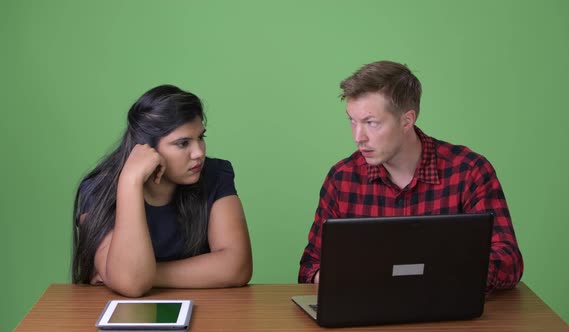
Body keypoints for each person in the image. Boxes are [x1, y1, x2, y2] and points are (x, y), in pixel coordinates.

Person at [298, 61, 523, 293]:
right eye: (352, 121)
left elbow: (509, 261)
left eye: (371, 123)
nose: (358, 137)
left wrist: (449, 272)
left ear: (407, 120)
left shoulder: (469, 171)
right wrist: (338, 277)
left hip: (446, 315)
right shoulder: (341, 179)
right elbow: (310, 266)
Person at [72, 85, 252, 297]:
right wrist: (130, 182)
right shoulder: (98, 190)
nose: (198, 153)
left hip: (203, 309)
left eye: (200, 138)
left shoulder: (215, 175)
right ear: (146, 148)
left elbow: (237, 267)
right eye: (183, 143)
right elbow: (132, 285)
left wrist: (148, 274)